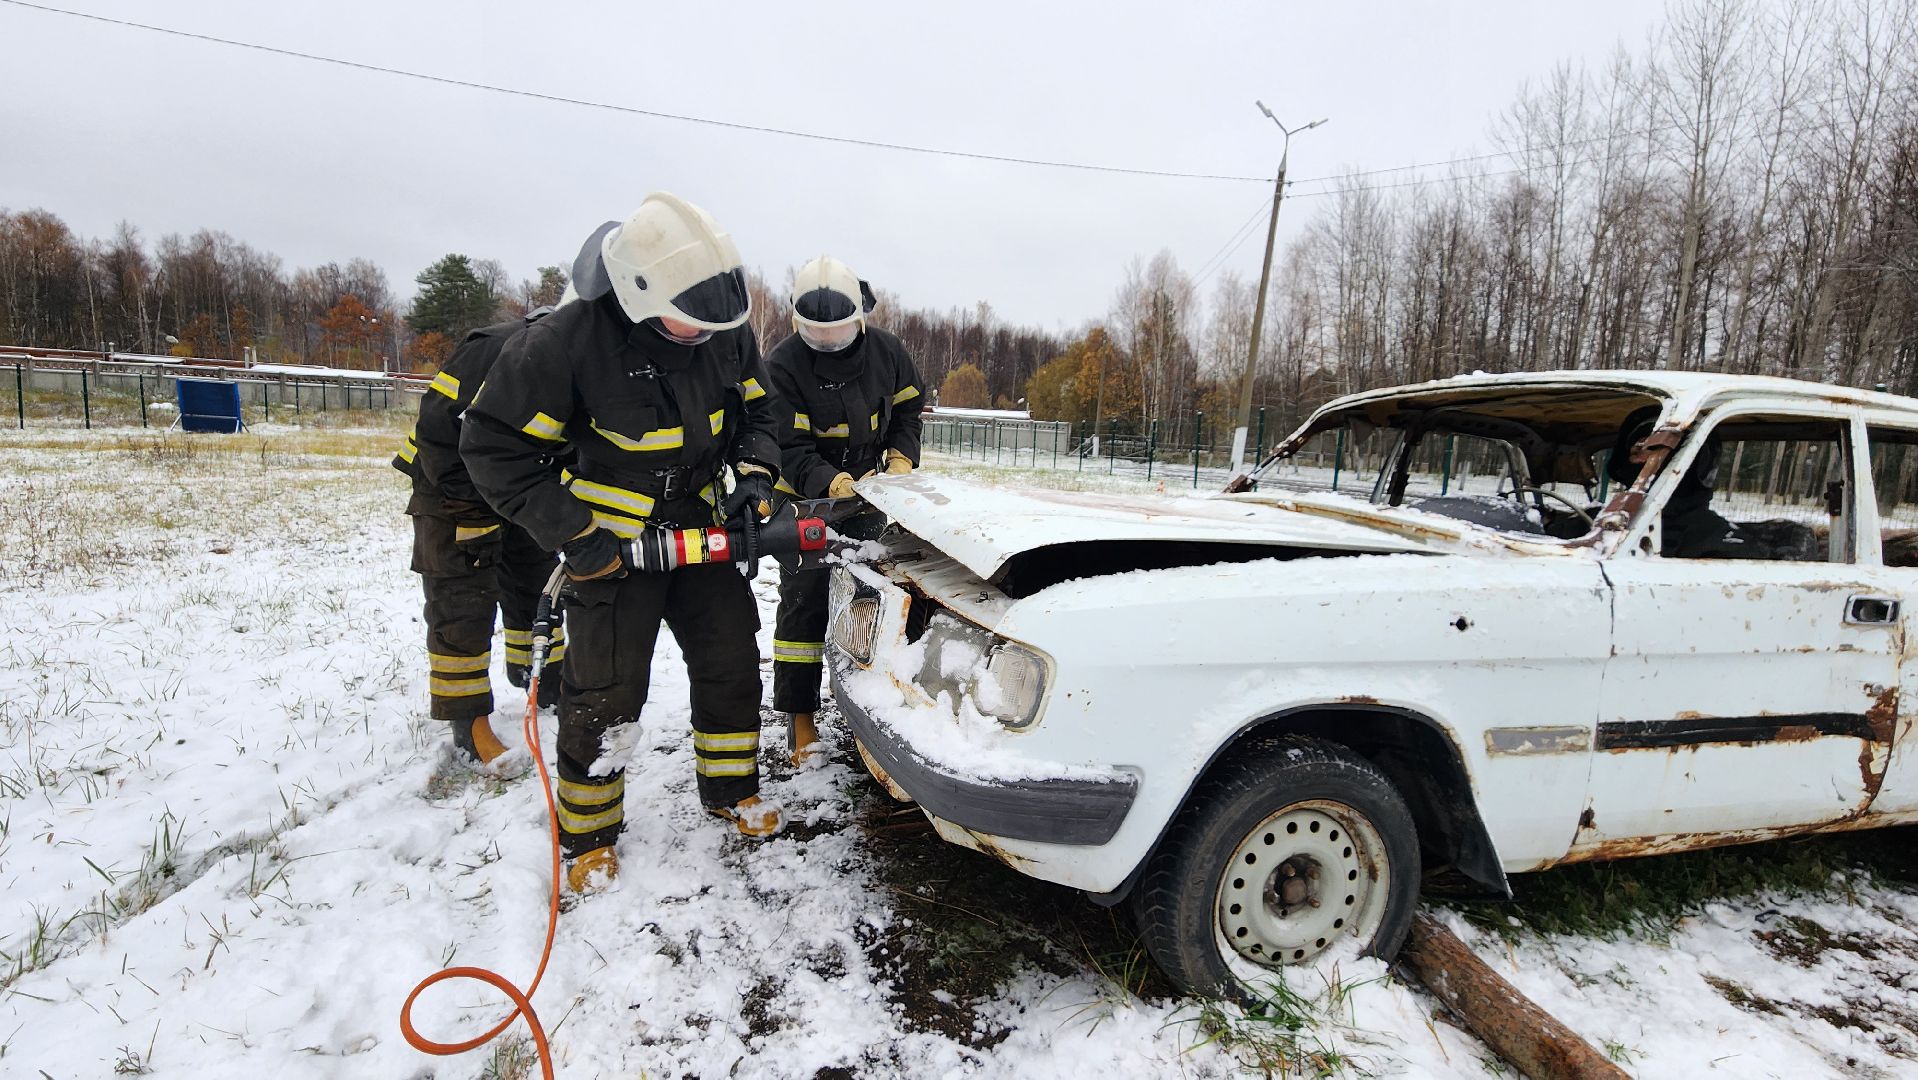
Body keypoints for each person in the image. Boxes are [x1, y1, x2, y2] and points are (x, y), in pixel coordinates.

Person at [460, 193, 786, 892]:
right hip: (612, 548)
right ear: (639, 295)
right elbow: (492, 448)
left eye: (714, 324)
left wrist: (755, 478)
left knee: (730, 664)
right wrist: (575, 535)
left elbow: (761, 411)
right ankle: (589, 833)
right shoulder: (564, 345)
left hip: (702, 533)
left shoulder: (721, 330)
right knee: (605, 691)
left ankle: (731, 792)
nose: (702, 336)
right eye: (688, 323)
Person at [763, 256, 923, 764]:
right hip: (804, 498)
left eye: (837, 331)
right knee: (804, 601)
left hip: (871, 492)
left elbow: (908, 410)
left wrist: (900, 457)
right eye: (817, 333)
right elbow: (785, 445)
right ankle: (800, 716)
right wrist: (828, 480)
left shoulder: (888, 352)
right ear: (797, 322)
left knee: (875, 591)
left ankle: (868, 698)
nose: (828, 341)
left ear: (861, 316)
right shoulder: (783, 366)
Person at [393, 305, 567, 768]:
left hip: (523, 479)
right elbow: (437, 430)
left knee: (536, 579)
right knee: (462, 599)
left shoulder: (586, 361)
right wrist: (473, 511)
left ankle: (542, 678)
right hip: (450, 481)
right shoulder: (495, 349)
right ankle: (468, 720)